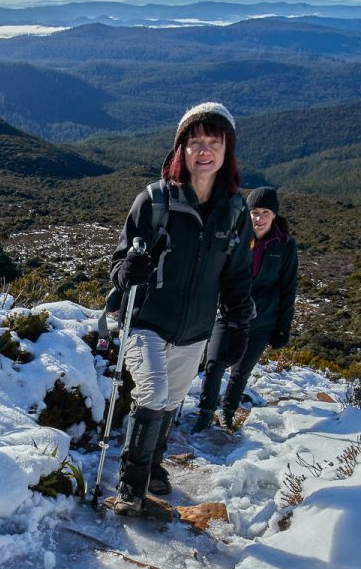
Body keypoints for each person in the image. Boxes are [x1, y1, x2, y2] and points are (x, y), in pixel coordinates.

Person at [106, 102, 253, 516]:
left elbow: (238, 276)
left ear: (227, 151)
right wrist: (127, 271)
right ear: (180, 151)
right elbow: (118, 266)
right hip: (147, 321)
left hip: (195, 331)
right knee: (152, 393)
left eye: (213, 142)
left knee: (170, 403)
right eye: (194, 143)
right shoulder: (154, 201)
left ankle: (153, 465)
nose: (203, 151)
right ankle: (131, 486)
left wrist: (240, 324)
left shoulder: (235, 211)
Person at [193, 185, 298, 434]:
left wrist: (282, 328)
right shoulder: (234, 237)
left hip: (263, 320)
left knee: (241, 371)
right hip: (228, 311)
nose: (258, 218)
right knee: (215, 364)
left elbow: (288, 287)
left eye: (265, 212)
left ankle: (228, 413)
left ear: (274, 216)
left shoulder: (284, 245)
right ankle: (205, 412)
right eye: (254, 212)